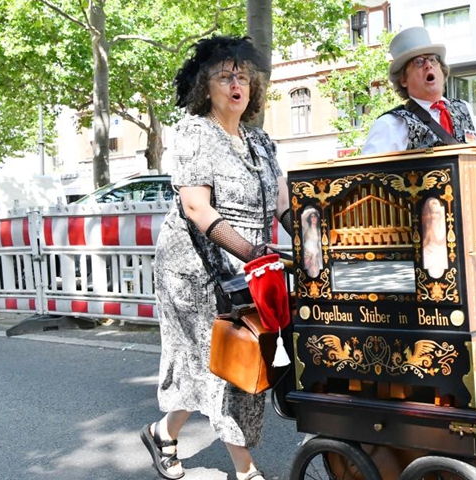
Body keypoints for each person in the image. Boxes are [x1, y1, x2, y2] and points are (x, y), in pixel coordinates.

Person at [141, 35, 293, 480]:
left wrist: (311, 230)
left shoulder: (261, 141)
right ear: (203, 87)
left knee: (220, 365)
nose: (235, 84)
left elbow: (282, 201)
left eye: (242, 75)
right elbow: (195, 207)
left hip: (247, 269)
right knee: (225, 368)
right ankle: (246, 473)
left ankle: (161, 434)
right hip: (193, 272)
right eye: (224, 76)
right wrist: (250, 251)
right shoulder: (193, 133)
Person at [362, 26, 476, 194]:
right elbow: (366, 179)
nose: (428, 65)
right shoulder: (391, 123)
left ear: (442, 71)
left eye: (433, 60)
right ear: (403, 79)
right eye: (418, 62)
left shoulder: (464, 108)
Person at [421, 197, 448, 278]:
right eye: (432, 213)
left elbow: (440, 239)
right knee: (425, 253)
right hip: (430, 248)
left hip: (439, 248)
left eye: (436, 213)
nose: (434, 216)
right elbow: (425, 242)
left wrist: (431, 233)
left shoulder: (442, 224)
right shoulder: (428, 224)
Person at [301, 207, 323, 277]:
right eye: (311, 217)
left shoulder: (320, 230)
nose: (313, 218)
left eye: (315, 216)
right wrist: (312, 210)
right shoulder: (307, 227)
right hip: (307, 254)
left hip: (317, 254)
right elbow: (302, 218)